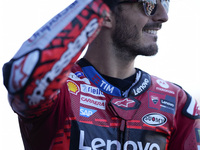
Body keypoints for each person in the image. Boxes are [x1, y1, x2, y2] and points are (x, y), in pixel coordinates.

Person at [2, 0, 200, 149]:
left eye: (165, 2)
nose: (163, 16)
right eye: (148, 4)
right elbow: (21, 77)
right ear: (106, 14)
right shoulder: (59, 91)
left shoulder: (176, 102)